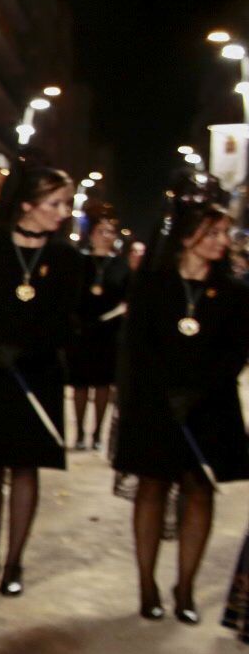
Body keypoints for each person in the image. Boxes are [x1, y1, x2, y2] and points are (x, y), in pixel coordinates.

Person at [0, 162, 85, 597]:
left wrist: (27, 349)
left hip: (37, 373)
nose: (63, 212)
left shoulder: (66, 259)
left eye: (65, 203)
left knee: (26, 467)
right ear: (26, 204)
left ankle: (14, 562)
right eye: (55, 203)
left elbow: (68, 320)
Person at [112, 196, 248, 624]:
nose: (222, 241)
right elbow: (137, 347)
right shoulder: (154, 284)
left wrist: (199, 391)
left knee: (199, 490)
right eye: (213, 233)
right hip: (155, 404)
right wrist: (161, 392)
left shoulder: (234, 291)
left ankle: (185, 586)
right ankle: (147, 583)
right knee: (152, 487)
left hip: (209, 405)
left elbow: (236, 351)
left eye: (225, 233)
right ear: (187, 237)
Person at [68, 209, 126, 450]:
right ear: (91, 235)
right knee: (80, 384)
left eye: (110, 232)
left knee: (103, 385)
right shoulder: (80, 263)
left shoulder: (121, 266)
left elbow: (127, 296)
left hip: (108, 333)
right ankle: (80, 432)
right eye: (100, 231)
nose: (105, 236)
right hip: (83, 330)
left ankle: (98, 434)